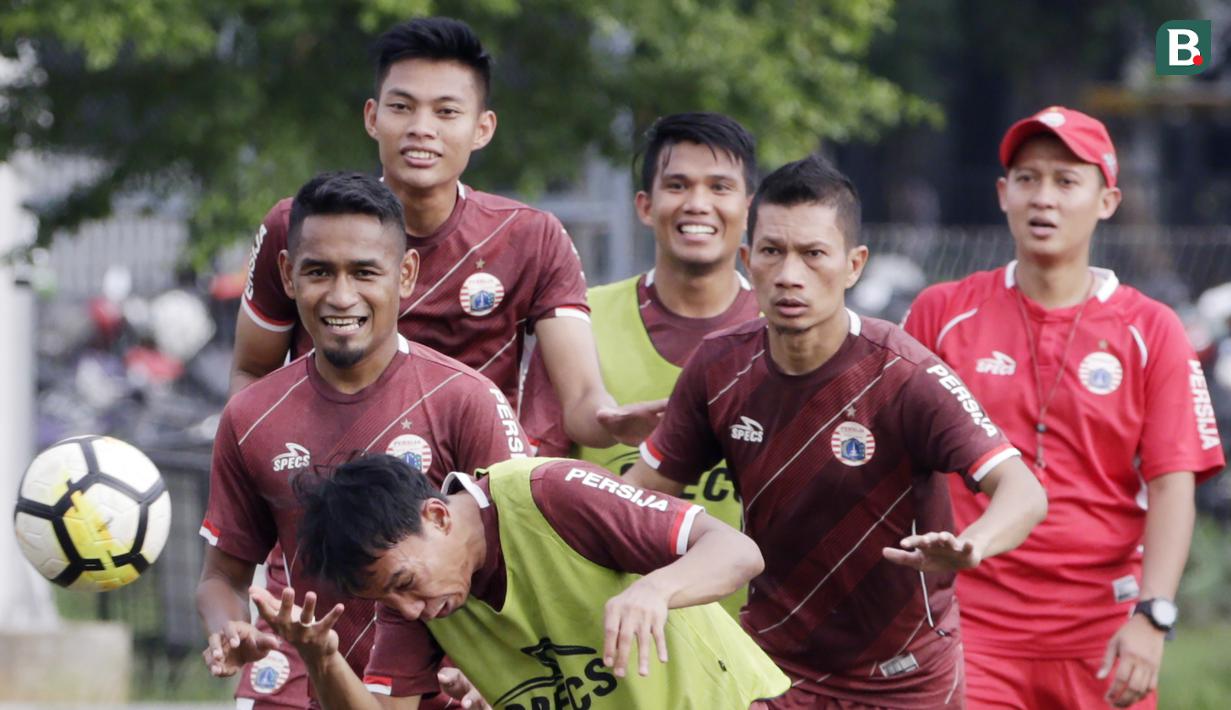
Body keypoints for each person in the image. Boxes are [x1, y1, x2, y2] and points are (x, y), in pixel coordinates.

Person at [623, 154, 1050, 707]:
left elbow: (1024, 492)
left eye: (813, 254)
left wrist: (973, 546)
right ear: (748, 260)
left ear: (854, 265)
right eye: (773, 252)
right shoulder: (719, 367)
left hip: (905, 676)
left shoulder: (905, 374)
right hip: (773, 670)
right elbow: (638, 498)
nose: (790, 275)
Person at [902, 106, 1226, 709]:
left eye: (1066, 180)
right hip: (970, 626)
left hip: (1100, 632)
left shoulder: (1151, 329)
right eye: (1027, 179)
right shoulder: (942, 314)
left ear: (1108, 200)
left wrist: (1153, 616)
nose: (1042, 198)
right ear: (1003, 194)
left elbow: (1174, 482)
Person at [231, 16, 655, 447]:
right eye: (402, 107)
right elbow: (252, 371)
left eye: (446, 111)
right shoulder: (298, 225)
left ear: (483, 128)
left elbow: (582, 400)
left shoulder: (531, 237)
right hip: (335, 495)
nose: (422, 128)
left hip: (476, 497)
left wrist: (612, 422)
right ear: (373, 117)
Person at [196, 172, 528, 708]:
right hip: (299, 677)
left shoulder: (465, 399)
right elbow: (221, 576)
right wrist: (230, 627)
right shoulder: (251, 417)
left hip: (436, 691)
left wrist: (494, 666)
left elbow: (526, 557)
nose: (341, 295)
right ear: (287, 274)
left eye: (365, 272)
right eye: (319, 272)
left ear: (406, 275)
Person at [250, 454, 791, 709]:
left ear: (437, 516)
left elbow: (738, 551)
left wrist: (656, 589)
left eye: (405, 583)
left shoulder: (551, 493)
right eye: (386, 598)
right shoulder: (415, 598)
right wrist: (322, 658)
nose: (406, 610)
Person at [519, 111, 761, 617]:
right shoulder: (579, 321)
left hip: (756, 645)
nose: (697, 204)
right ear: (645, 206)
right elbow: (532, 480)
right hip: (603, 636)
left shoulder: (785, 331)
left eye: (719, 186)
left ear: (747, 207)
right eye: (678, 185)